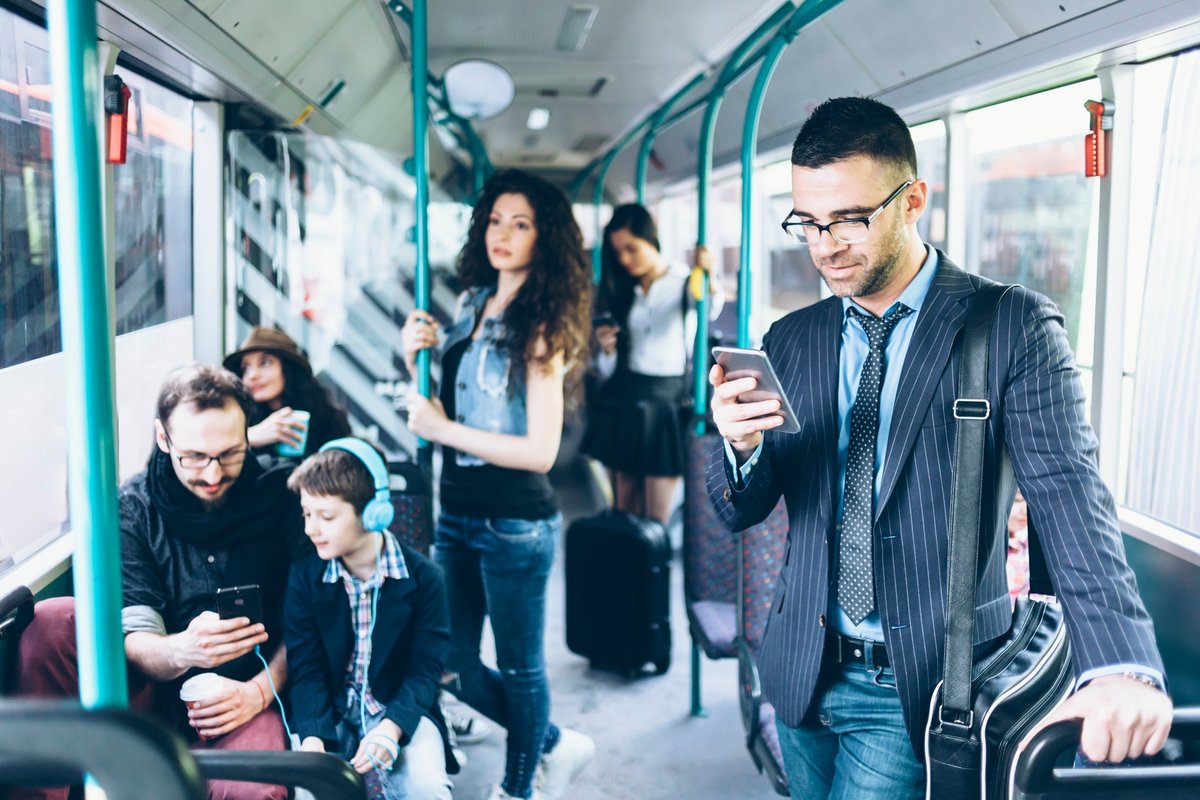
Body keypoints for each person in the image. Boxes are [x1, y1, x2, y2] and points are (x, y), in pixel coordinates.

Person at [706, 96, 1172, 798]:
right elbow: (746, 509)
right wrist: (740, 448)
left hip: (920, 682)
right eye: (808, 222)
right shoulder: (791, 340)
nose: (825, 245)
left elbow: (1072, 495)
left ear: (913, 199)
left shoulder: (1009, 326)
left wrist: (1121, 666)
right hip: (799, 667)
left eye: (851, 220)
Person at [12, 363, 310, 800]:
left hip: (248, 687)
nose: (212, 475)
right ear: (162, 438)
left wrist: (258, 692)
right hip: (150, 689)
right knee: (54, 619)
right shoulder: (134, 509)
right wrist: (183, 648)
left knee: (253, 792)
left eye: (229, 454)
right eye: (194, 457)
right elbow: (138, 636)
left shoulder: (283, 496)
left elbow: (310, 620)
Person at [400, 168, 595, 800]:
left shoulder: (543, 326)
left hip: (515, 521)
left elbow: (540, 452)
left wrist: (440, 428)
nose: (502, 235)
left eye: (521, 224)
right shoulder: (469, 305)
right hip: (456, 512)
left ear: (546, 239)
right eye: (495, 221)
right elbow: (446, 411)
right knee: (450, 663)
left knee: (519, 667)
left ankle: (519, 788)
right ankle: (557, 745)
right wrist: (414, 358)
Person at [284, 439, 455, 800]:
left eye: (326, 516)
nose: (310, 529)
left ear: (373, 512)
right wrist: (313, 737)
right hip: (331, 712)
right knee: (306, 792)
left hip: (399, 710)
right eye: (306, 514)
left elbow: (424, 671)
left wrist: (392, 728)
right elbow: (308, 670)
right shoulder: (305, 577)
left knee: (427, 789)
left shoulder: (425, 579)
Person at [582, 203, 723, 525]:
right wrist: (606, 350)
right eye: (618, 252)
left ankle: (650, 575)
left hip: (665, 404)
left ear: (653, 238)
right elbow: (606, 371)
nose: (625, 259)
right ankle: (624, 575)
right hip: (622, 398)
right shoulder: (620, 288)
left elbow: (708, 306)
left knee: (655, 517)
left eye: (632, 248)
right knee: (623, 510)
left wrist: (710, 273)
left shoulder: (685, 281)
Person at [224, 326, 351, 457]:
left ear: (288, 369)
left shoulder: (329, 419)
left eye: (265, 363)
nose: (252, 375)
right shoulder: (238, 420)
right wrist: (249, 438)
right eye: (246, 368)